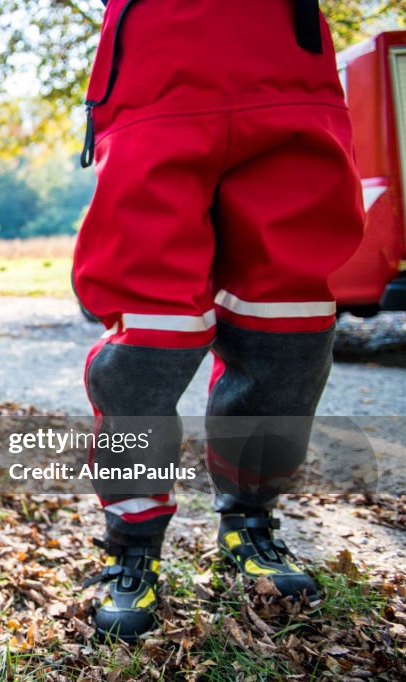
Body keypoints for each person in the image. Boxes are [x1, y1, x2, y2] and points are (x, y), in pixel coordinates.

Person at [73, 0, 364, 641]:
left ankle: (248, 520)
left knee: (287, 332)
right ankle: (134, 544)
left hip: (287, 80)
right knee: (147, 342)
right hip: (154, 82)